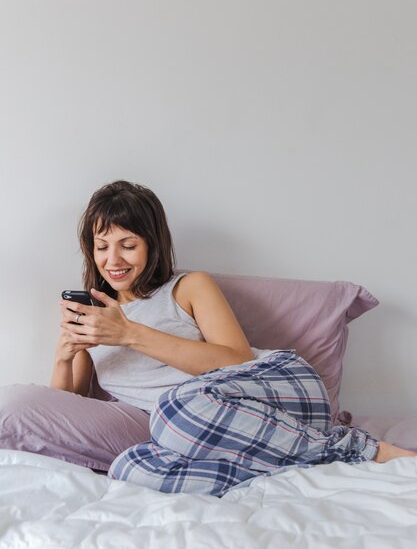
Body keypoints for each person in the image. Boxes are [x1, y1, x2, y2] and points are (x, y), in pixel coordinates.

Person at [0, 180, 414, 495]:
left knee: (174, 406)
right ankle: (292, 468)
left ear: (153, 245)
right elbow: (68, 405)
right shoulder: (99, 314)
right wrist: (65, 352)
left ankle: (360, 449)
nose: (113, 260)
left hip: (272, 389)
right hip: (189, 433)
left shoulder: (189, 287)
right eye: (102, 246)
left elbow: (237, 360)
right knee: (131, 468)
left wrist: (129, 333)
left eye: (128, 245)